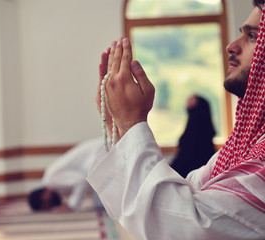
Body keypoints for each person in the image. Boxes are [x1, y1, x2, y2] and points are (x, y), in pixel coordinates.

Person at [87, 1, 265, 239]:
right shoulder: (245, 142)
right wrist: (119, 124)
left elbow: (188, 227)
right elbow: (188, 194)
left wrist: (131, 125)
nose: (232, 46)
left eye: (253, 36)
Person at [28, 137, 103, 212]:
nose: (52, 207)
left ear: (44, 197)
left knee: (100, 204)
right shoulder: (52, 179)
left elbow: (81, 180)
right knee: (99, 204)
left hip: (99, 152)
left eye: (48, 206)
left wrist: (71, 206)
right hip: (96, 154)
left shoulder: (52, 179)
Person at [171, 95, 216, 178]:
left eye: (191, 99)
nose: (187, 101)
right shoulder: (196, 118)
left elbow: (188, 151)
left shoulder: (197, 119)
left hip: (194, 169)